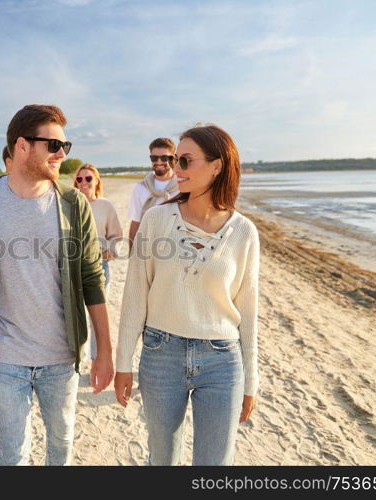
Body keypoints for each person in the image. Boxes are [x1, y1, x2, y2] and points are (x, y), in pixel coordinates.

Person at [0, 104, 114, 466]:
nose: (62, 154)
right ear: (22, 146)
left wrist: (104, 350)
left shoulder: (73, 204)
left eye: (65, 146)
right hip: (2, 357)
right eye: (54, 145)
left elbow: (92, 277)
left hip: (61, 356)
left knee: (61, 446)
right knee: (12, 454)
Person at [114, 124, 259, 466]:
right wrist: (123, 363)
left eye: (185, 161)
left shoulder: (244, 232)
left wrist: (251, 381)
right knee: (162, 461)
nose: (175, 169)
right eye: (175, 160)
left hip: (222, 360)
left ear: (217, 166)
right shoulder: (155, 219)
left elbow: (249, 312)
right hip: (160, 355)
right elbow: (135, 296)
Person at [73, 163, 122, 360]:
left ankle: (96, 357)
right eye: (79, 179)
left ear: (96, 181)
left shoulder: (106, 206)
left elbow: (116, 235)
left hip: (100, 266)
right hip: (74, 265)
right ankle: (79, 355)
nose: (83, 182)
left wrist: (111, 249)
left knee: (97, 312)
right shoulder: (69, 204)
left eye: (88, 178)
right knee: (76, 312)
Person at [127, 138, 180, 252]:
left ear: (173, 159)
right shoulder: (140, 188)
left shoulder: (182, 186)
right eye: (154, 158)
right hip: (147, 247)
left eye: (164, 158)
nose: (159, 161)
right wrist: (132, 253)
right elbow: (136, 222)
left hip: (176, 247)